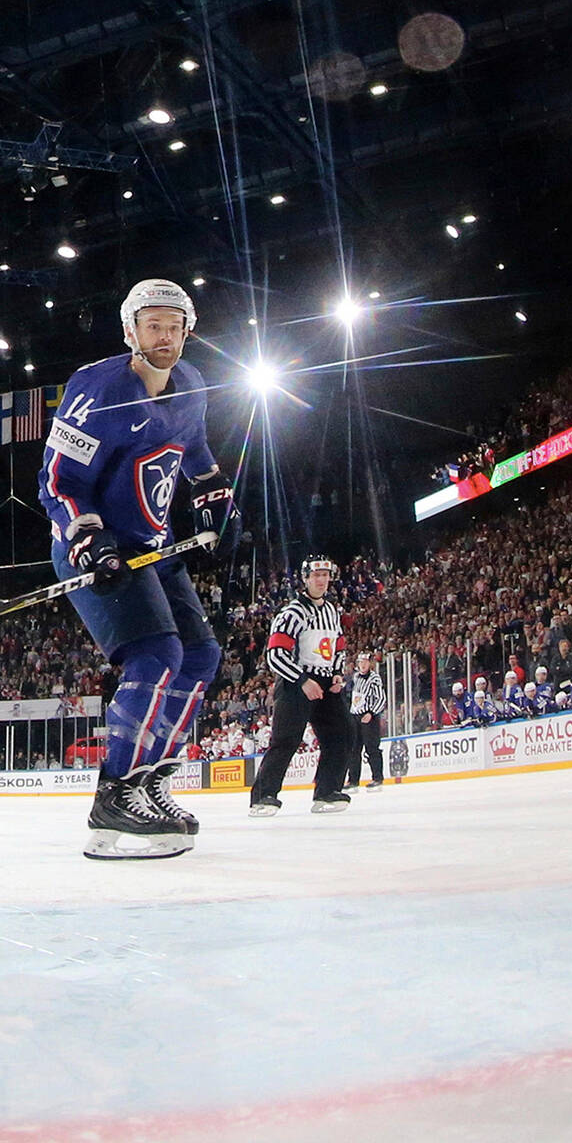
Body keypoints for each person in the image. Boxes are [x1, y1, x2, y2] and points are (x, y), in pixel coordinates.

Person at [38, 279, 236, 859]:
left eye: (175, 326)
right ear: (130, 331)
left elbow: (195, 454)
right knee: (156, 656)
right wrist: (87, 536)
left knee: (201, 655)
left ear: (188, 331)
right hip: (97, 548)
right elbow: (58, 480)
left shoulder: (193, 384)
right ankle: (114, 796)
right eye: (153, 325)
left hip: (157, 546)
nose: (166, 336)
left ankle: (151, 780)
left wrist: (214, 495)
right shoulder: (97, 387)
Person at [248, 556, 350, 816]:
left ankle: (327, 791)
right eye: (316, 575)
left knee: (342, 734)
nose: (321, 580)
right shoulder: (292, 612)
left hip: (326, 682)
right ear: (305, 578)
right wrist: (302, 681)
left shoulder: (331, 611)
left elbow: (338, 646)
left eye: (325, 575)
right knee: (286, 740)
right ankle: (263, 796)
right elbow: (275, 654)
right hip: (296, 682)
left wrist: (337, 673)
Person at [346, 649, 386, 788]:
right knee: (354, 749)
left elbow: (381, 698)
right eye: (360, 662)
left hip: (369, 717)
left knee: (372, 748)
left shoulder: (374, 678)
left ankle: (377, 777)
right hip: (355, 717)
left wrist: (372, 713)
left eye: (365, 662)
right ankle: (353, 780)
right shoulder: (356, 677)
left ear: (370, 663)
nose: (362, 665)